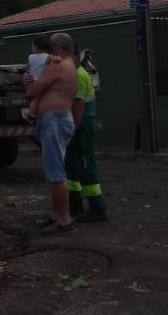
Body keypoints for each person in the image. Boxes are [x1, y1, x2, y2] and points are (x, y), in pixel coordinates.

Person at [24, 32, 78, 235]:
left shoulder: (58, 66)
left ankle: (65, 219)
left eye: (51, 46)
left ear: (56, 48)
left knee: (56, 173)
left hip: (54, 120)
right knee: (53, 170)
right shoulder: (67, 64)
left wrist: (27, 81)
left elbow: (32, 90)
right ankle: (57, 215)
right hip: (55, 119)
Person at [67, 43, 107, 222]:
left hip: (82, 124)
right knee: (72, 165)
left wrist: (72, 129)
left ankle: (97, 207)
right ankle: (75, 204)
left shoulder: (79, 75)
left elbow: (78, 105)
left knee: (85, 165)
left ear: (76, 56)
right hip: (79, 124)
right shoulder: (74, 74)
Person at [26, 34, 51, 119]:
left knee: (35, 99)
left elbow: (29, 70)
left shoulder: (30, 57)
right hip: (42, 81)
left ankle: (31, 113)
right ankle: (33, 113)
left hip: (33, 81)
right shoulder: (48, 57)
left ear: (36, 46)